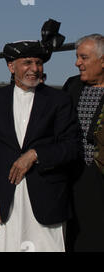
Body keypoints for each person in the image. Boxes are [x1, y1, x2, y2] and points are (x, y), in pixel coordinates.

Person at [0, 40, 79, 252]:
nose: (34, 69)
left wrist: (35, 154)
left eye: (38, 62)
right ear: (11, 66)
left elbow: (72, 147)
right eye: (27, 62)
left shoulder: (59, 100)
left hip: (47, 201)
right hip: (5, 203)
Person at [63, 33, 104, 252]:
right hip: (77, 179)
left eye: (84, 57)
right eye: (77, 57)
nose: (77, 63)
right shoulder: (72, 86)